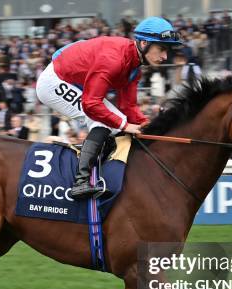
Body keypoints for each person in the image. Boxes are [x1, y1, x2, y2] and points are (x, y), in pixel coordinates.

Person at [36, 16, 181, 199]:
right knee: (104, 123)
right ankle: (80, 182)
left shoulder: (134, 66)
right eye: (162, 49)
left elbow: (128, 106)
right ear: (144, 43)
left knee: (116, 121)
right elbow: (91, 104)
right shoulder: (114, 59)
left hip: (74, 83)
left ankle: (99, 170)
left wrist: (148, 126)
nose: (165, 56)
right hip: (53, 82)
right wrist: (125, 125)